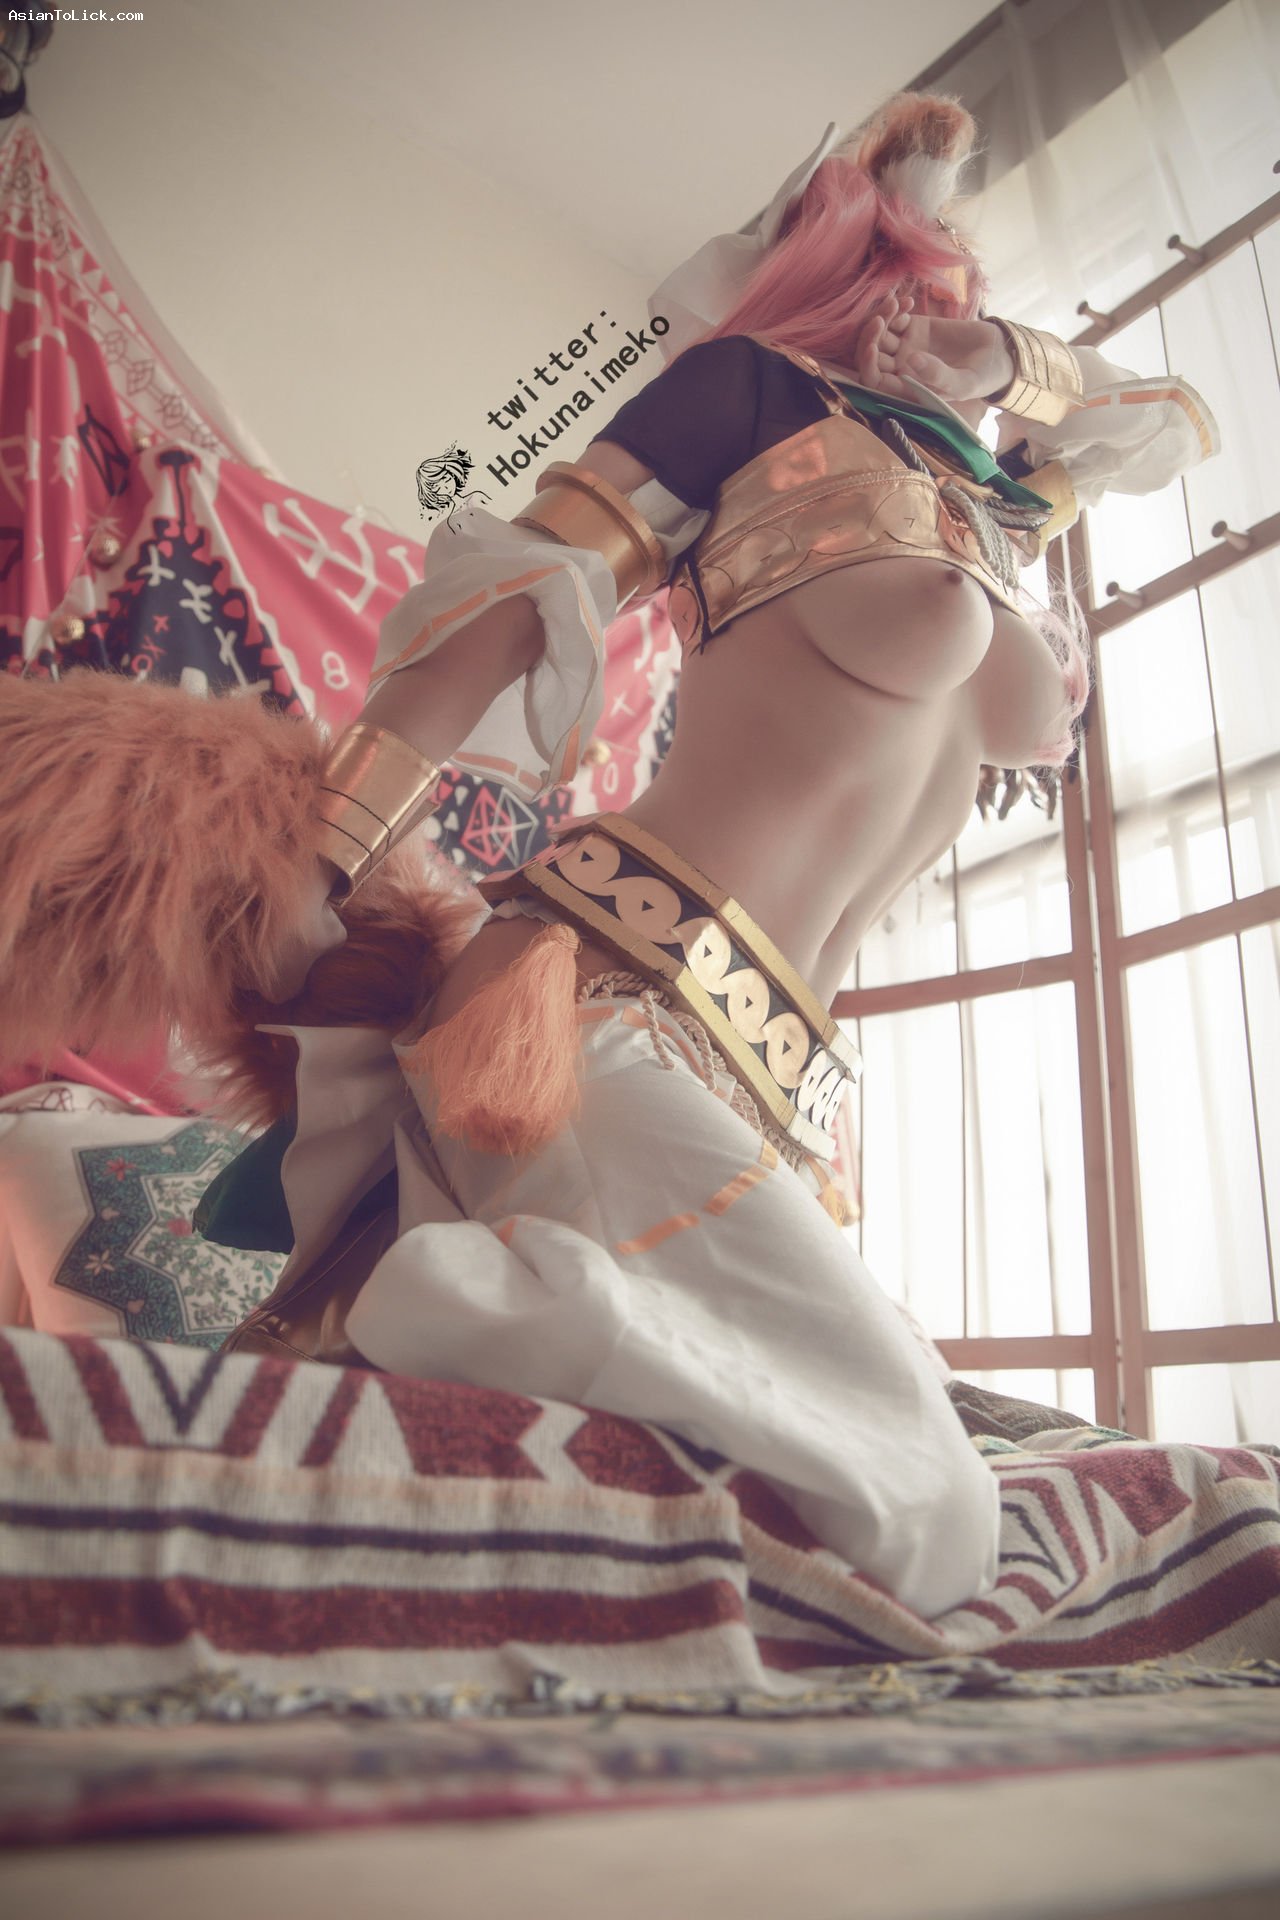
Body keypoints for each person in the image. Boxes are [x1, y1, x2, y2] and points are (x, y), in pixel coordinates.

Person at [0, 94, 1216, 1621]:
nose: (937, 316)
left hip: (775, 1078)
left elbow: (1167, 424)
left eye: (960, 296)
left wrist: (1007, 370)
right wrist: (330, 849)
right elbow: (498, 612)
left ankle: (497, 1332)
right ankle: (448, 1296)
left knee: (884, 1440)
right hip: (601, 1000)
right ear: (844, 276)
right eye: (911, 279)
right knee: (931, 1511)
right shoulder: (748, 400)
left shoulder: (993, 519)